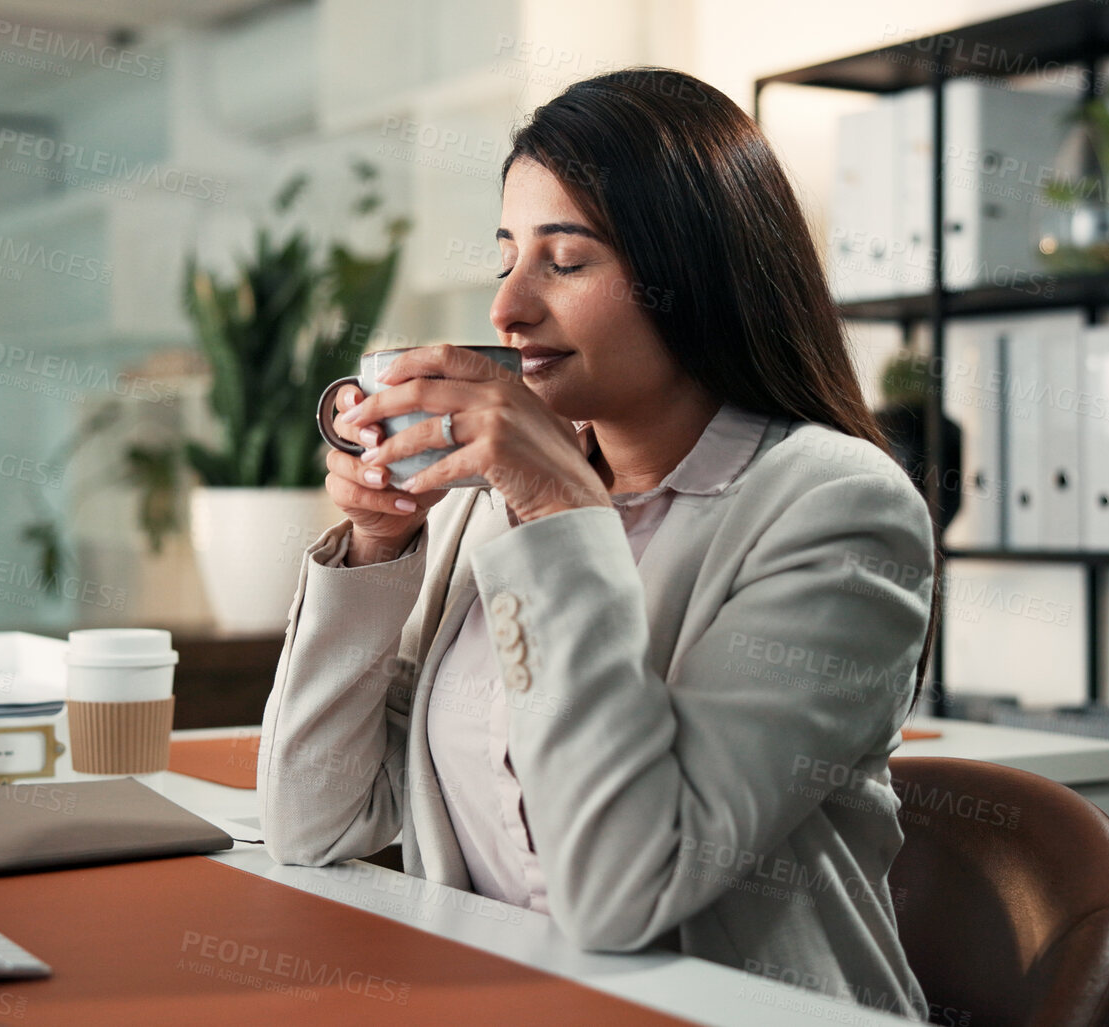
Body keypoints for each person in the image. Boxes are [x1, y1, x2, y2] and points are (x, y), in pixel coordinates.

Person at [258, 66, 936, 1019]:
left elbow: (620, 892)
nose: (508, 309)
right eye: (507, 258)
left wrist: (559, 512)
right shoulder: (486, 508)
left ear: (694, 273)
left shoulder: (838, 510)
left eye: (564, 262)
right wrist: (375, 551)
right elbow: (308, 821)